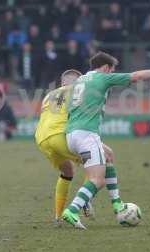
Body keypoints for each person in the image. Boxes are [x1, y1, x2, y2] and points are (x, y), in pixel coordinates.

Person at [62, 52, 150, 229]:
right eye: (112, 70)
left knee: (108, 156)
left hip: (71, 135)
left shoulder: (80, 81)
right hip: (87, 134)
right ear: (105, 67)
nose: (112, 74)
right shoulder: (102, 77)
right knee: (97, 180)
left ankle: (117, 204)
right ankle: (73, 209)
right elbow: (137, 76)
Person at [35, 69, 118, 220]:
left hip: (41, 138)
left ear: (62, 83)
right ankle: (85, 201)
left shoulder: (49, 95)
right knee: (101, 159)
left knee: (68, 171)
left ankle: (58, 216)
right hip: (59, 135)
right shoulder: (77, 93)